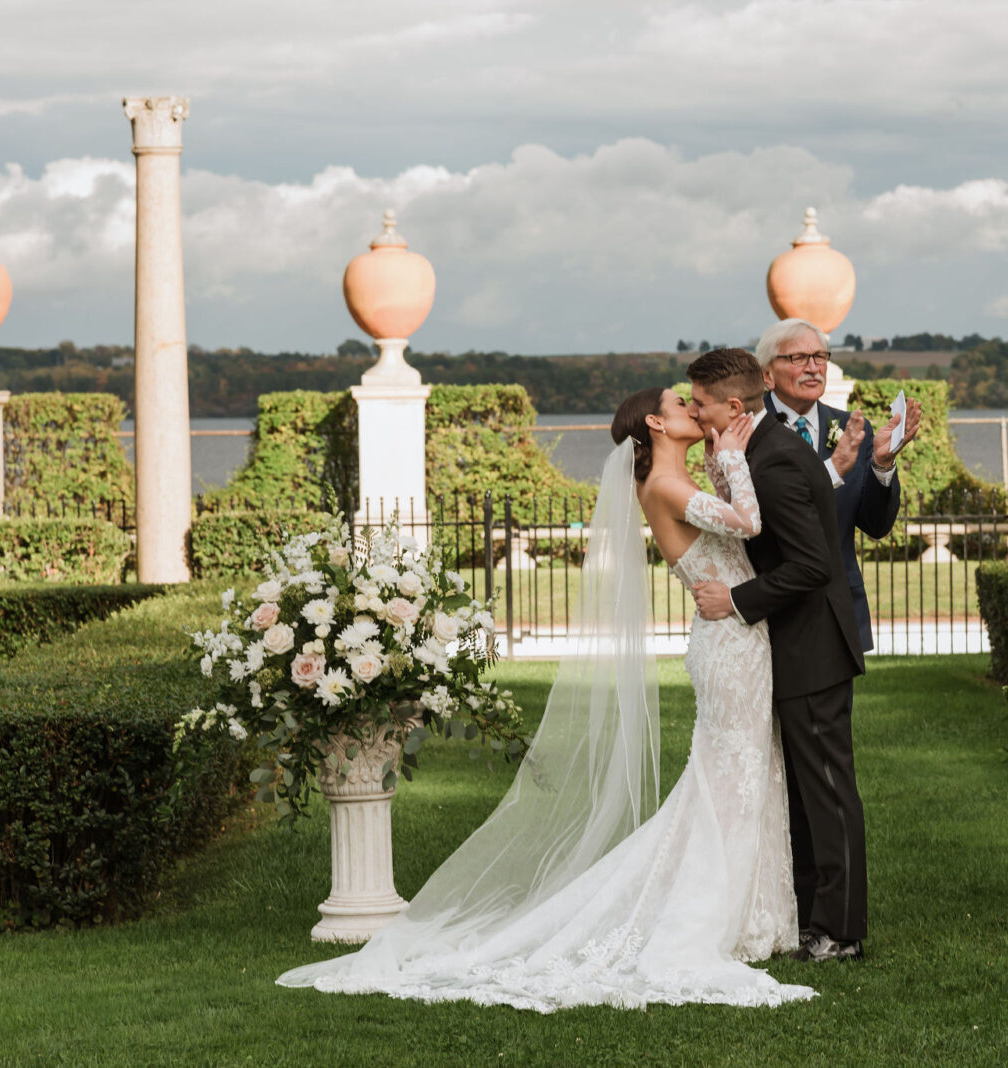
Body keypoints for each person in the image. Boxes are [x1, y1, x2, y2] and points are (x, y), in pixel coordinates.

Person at [276, 383, 813, 1011]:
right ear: (656, 424)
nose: (695, 410)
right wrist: (734, 461)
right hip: (728, 645)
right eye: (681, 404)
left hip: (738, 637)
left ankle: (755, 915)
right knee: (729, 780)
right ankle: (711, 918)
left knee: (743, 775)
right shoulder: (666, 486)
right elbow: (749, 521)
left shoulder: (679, 479)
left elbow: (745, 530)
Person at [687, 348, 869, 963]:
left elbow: (813, 565)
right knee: (801, 793)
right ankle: (813, 918)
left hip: (811, 646)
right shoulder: (755, 452)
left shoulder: (776, 462)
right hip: (789, 646)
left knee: (826, 790)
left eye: (700, 402)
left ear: (732, 407)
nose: (693, 410)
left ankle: (841, 932)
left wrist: (736, 599)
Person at [754, 318, 923, 652]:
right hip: (770, 612)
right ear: (767, 374)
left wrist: (882, 464)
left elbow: (876, 526)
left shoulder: (852, 428)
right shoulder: (749, 430)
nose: (814, 368)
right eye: (798, 358)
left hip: (838, 612)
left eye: (820, 357)